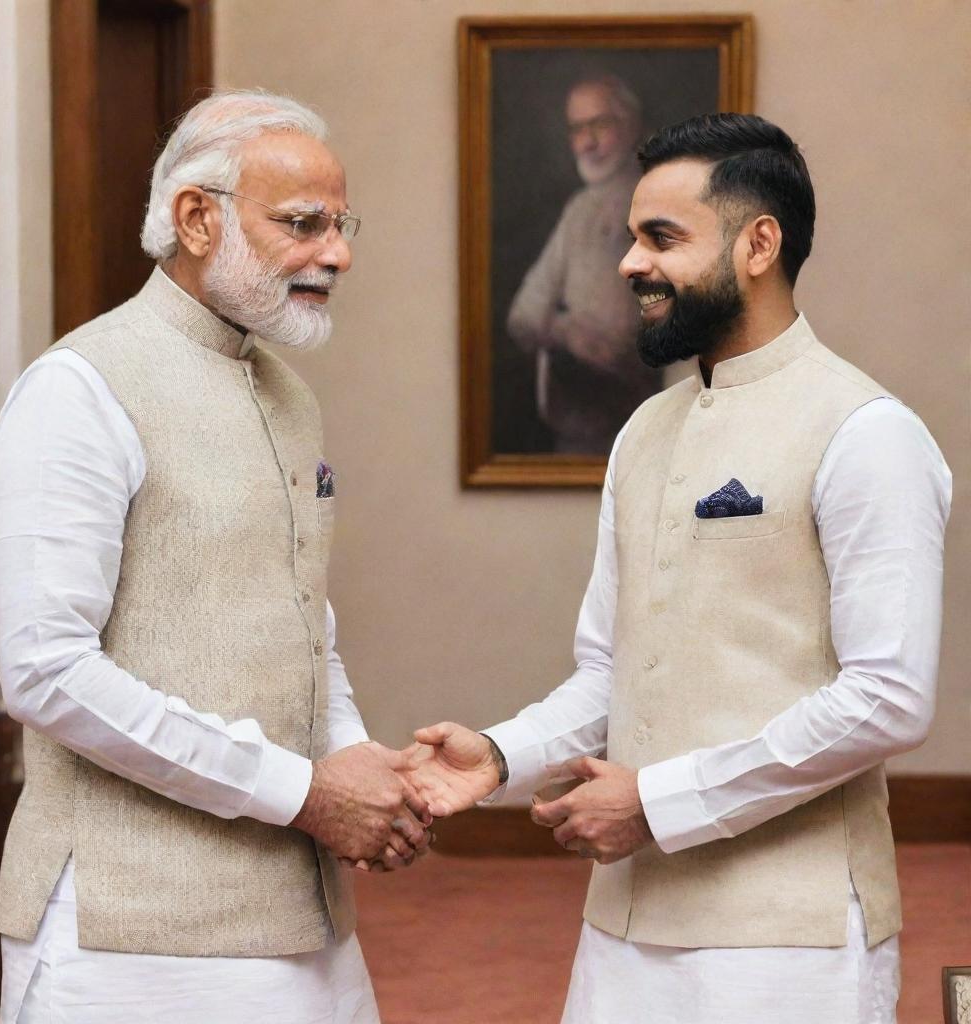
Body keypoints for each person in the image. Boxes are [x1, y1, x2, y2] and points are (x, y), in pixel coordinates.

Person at [407, 113, 951, 1023]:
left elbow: (890, 694)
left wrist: (658, 802)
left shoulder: (868, 432)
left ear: (758, 245)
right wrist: (499, 757)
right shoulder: (645, 431)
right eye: (630, 237)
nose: (629, 263)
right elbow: (611, 674)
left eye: (661, 237)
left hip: (791, 939)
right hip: (622, 926)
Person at [0, 89, 430, 1024]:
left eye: (341, 226)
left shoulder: (288, 394)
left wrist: (358, 771)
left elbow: (305, 623)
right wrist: (305, 792)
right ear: (196, 218)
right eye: (303, 224)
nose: (337, 253)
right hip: (127, 933)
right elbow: (45, 671)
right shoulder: (78, 389)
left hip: (301, 919)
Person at [507, 75, 661, 454]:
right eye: (578, 129)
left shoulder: (663, 200)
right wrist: (568, 332)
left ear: (634, 126)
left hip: (652, 426)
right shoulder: (580, 210)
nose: (588, 142)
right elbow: (523, 315)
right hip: (580, 424)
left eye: (601, 124)